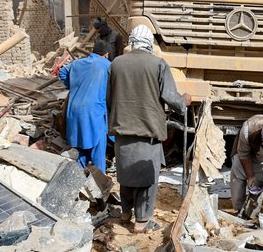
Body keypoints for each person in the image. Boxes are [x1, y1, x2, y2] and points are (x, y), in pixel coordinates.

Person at [107, 25, 192, 233]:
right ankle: (141, 221)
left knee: (126, 173)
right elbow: (171, 99)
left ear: (131, 42)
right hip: (148, 132)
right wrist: (184, 102)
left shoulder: (116, 64)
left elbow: (110, 98)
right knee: (147, 178)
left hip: (122, 131)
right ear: (150, 44)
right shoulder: (158, 64)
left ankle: (126, 213)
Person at [58, 39, 111, 173]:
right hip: (93, 111)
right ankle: (99, 184)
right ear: (106, 54)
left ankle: (78, 182)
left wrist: (74, 86)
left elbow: (62, 72)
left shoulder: (77, 63)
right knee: (97, 148)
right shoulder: (106, 65)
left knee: (79, 147)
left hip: (74, 110)